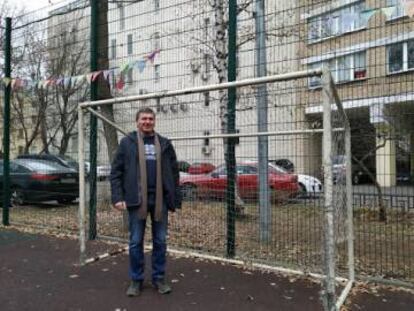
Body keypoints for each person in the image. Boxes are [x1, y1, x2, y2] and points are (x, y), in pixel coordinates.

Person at [110, 107, 181, 297]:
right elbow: (116, 173)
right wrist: (117, 198)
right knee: (135, 242)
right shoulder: (127, 143)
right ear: (137, 122)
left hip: (160, 201)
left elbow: (174, 173)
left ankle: (158, 278)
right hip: (136, 200)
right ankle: (136, 280)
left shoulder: (165, 144)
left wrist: (175, 198)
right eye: (143, 119)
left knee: (160, 241)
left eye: (150, 118)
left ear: (154, 121)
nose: (147, 122)